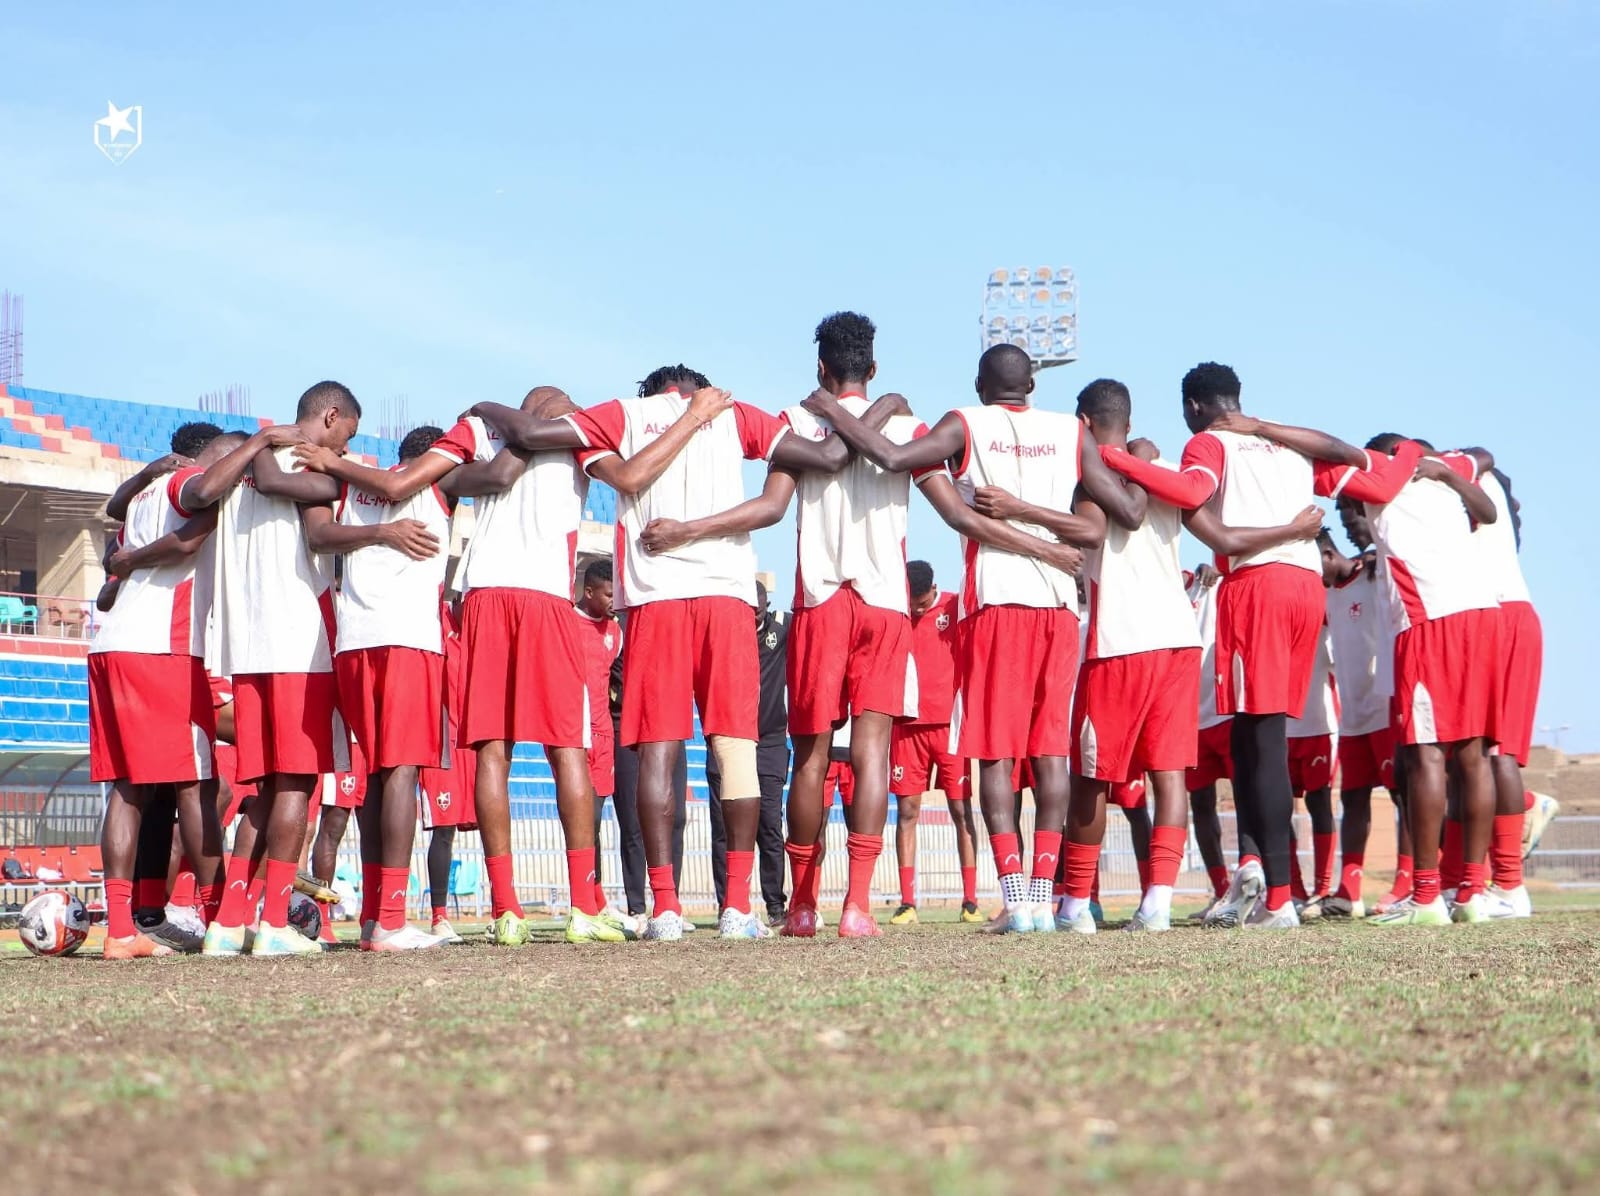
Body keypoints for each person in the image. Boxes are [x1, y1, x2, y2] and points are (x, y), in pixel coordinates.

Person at [302, 382, 728, 944]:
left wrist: (482, 408)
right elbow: (629, 477)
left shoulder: (480, 428)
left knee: (491, 752)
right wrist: (692, 419)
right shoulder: (577, 432)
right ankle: (581, 905)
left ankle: (506, 909)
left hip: (483, 596)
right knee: (567, 749)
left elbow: (447, 477)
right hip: (544, 599)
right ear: (557, 408)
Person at [635, 315, 939, 937]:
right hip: (885, 601)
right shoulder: (909, 425)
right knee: (873, 750)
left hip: (822, 599)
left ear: (820, 368)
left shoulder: (796, 421)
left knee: (811, 755)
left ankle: (802, 905)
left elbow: (774, 509)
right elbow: (949, 501)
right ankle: (857, 906)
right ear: (873, 368)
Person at [805, 343, 1111, 935]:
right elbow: (1098, 525)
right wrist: (1048, 536)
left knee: (994, 753)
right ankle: (1046, 899)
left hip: (998, 601)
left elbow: (892, 457)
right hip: (1056, 606)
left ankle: (1018, 899)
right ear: (1032, 387)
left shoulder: (965, 423)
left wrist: (835, 407)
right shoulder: (1071, 433)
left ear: (978, 384)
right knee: (1050, 753)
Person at [556, 364, 863, 941]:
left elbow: (562, 434)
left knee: (658, 754)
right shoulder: (733, 412)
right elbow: (821, 459)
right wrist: (847, 411)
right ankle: (737, 909)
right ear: (696, 389)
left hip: (655, 600)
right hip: (725, 597)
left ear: (652, 391)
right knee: (736, 750)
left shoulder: (626, 413)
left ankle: (666, 909)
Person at [1097, 363, 1376, 929]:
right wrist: (1267, 429)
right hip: (1303, 589)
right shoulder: (1284, 446)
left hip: (1260, 586)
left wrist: (1113, 458)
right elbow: (1346, 452)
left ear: (1193, 407)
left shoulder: (1209, 442)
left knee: (1264, 743)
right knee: (1251, 738)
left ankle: (1279, 899)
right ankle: (1255, 867)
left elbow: (1189, 489)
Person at [1233, 423, 1500, 925]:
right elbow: (1483, 496)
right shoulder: (1445, 470)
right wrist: (1445, 468)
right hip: (1481, 614)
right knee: (1473, 755)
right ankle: (1472, 893)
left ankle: (1424, 898)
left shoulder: (1380, 475)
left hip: (1429, 618)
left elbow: (1326, 451)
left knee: (1425, 757)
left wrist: (1258, 430)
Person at [188, 384, 360, 957]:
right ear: (330, 417)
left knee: (260, 790)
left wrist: (258, 441)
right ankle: (276, 922)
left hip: (245, 647)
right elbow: (316, 524)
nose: (345, 445)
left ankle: (228, 921)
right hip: (298, 644)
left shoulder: (241, 468)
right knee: (299, 784)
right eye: (347, 434)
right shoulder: (311, 466)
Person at [89, 425, 274, 958]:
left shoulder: (144, 498)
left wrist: (129, 561)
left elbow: (109, 583)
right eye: (231, 459)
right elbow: (194, 520)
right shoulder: (187, 481)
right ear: (214, 456)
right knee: (197, 785)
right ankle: (220, 916)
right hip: (159, 649)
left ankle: (122, 928)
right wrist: (256, 445)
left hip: (115, 645)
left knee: (131, 788)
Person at [300, 423, 456, 951]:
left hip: (354, 642)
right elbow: (503, 468)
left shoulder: (342, 482)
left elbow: (319, 536)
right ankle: (390, 919)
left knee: (377, 774)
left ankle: (372, 917)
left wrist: (327, 460)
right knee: (402, 771)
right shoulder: (439, 484)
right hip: (409, 640)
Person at [1469, 462, 1546, 918]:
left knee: (1496, 753)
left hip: (1502, 617)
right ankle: (1474, 883)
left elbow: (1481, 454)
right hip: (1489, 618)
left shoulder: (1466, 483)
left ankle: (1511, 887)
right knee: (1475, 753)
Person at [1310, 521, 1395, 920]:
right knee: (1353, 799)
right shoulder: (1325, 595)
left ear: (1328, 555)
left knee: (1403, 797)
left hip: (1386, 706)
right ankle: (1350, 889)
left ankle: (1410, 881)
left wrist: (1379, 557)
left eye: (1314, 569)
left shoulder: (1372, 573)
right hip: (1354, 715)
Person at [889, 562, 977, 925]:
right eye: (914, 606)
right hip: (907, 726)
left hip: (950, 727)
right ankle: (908, 902)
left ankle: (970, 901)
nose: (918, 611)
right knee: (907, 813)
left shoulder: (955, 607)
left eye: (923, 605)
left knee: (961, 812)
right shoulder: (896, 612)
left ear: (935, 589)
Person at [705, 581, 788, 926]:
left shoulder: (783, 627)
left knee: (770, 825)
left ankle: (775, 906)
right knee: (723, 827)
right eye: (751, 604)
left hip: (769, 740)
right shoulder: (722, 631)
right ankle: (730, 904)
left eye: (762, 604)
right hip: (726, 735)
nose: (757, 609)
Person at [574, 558, 631, 929]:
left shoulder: (616, 632)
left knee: (596, 820)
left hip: (603, 733)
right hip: (574, 734)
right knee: (586, 819)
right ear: (590, 591)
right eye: (609, 594)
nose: (614, 600)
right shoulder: (565, 620)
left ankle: (597, 899)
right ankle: (588, 900)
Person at [420, 598, 475, 943]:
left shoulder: (482, 632)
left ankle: (504, 910)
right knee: (443, 830)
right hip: (440, 743)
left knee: (492, 824)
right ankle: (439, 917)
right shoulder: (435, 615)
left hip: (474, 742)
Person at [1184, 566, 1234, 921]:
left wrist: (1215, 571)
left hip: (1226, 711)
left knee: (1251, 800)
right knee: (1201, 806)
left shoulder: (1206, 580)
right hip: (1190, 721)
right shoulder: (1155, 591)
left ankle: (1273, 885)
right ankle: (1221, 890)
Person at [1285, 622, 1338, 907]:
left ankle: (1323, 888)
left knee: (1319, 804)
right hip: (1279, 729)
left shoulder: (1323, 614)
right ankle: (1293, 888)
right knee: (1281, 808)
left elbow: (1339, 663)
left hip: (1319, 726)